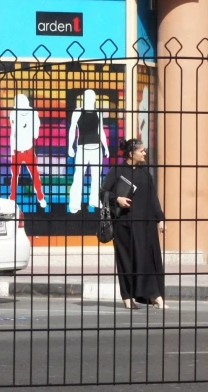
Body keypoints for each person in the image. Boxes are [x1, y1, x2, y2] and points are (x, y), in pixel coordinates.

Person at [100, 138, 167, 310]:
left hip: (146, 224)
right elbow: (102, 192)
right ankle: (128, 296)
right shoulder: (116, 171)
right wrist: (118, 199)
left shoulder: (145, 173)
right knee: (126, 260)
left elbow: (153, 197)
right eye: (141, 150)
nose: (145, 153)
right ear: (131, 154)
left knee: (149, 260)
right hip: (124, 225)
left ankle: (154, 295)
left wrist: (160, 219)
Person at [68, 89, 109, 213]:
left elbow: (100, 131)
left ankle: (95, 200)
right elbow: (72, 129)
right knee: (78, 176)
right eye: (88, 96)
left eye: (92, 97)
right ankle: (74, 203)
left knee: (97, 177)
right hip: (82, 149)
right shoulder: (78, 111)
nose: (91, 99)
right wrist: (70, 146)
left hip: (96, 149)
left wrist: (105, 147)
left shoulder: (97, 113)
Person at [9, 93, 46, 208]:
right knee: (14, 176)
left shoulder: (33, 114)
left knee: (35, 175)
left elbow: (36, 134)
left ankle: (40, 197)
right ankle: (12, 199)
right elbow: (13, 133)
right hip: (16, 151)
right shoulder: (13, 114)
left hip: (28, 150)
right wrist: (11, 150)